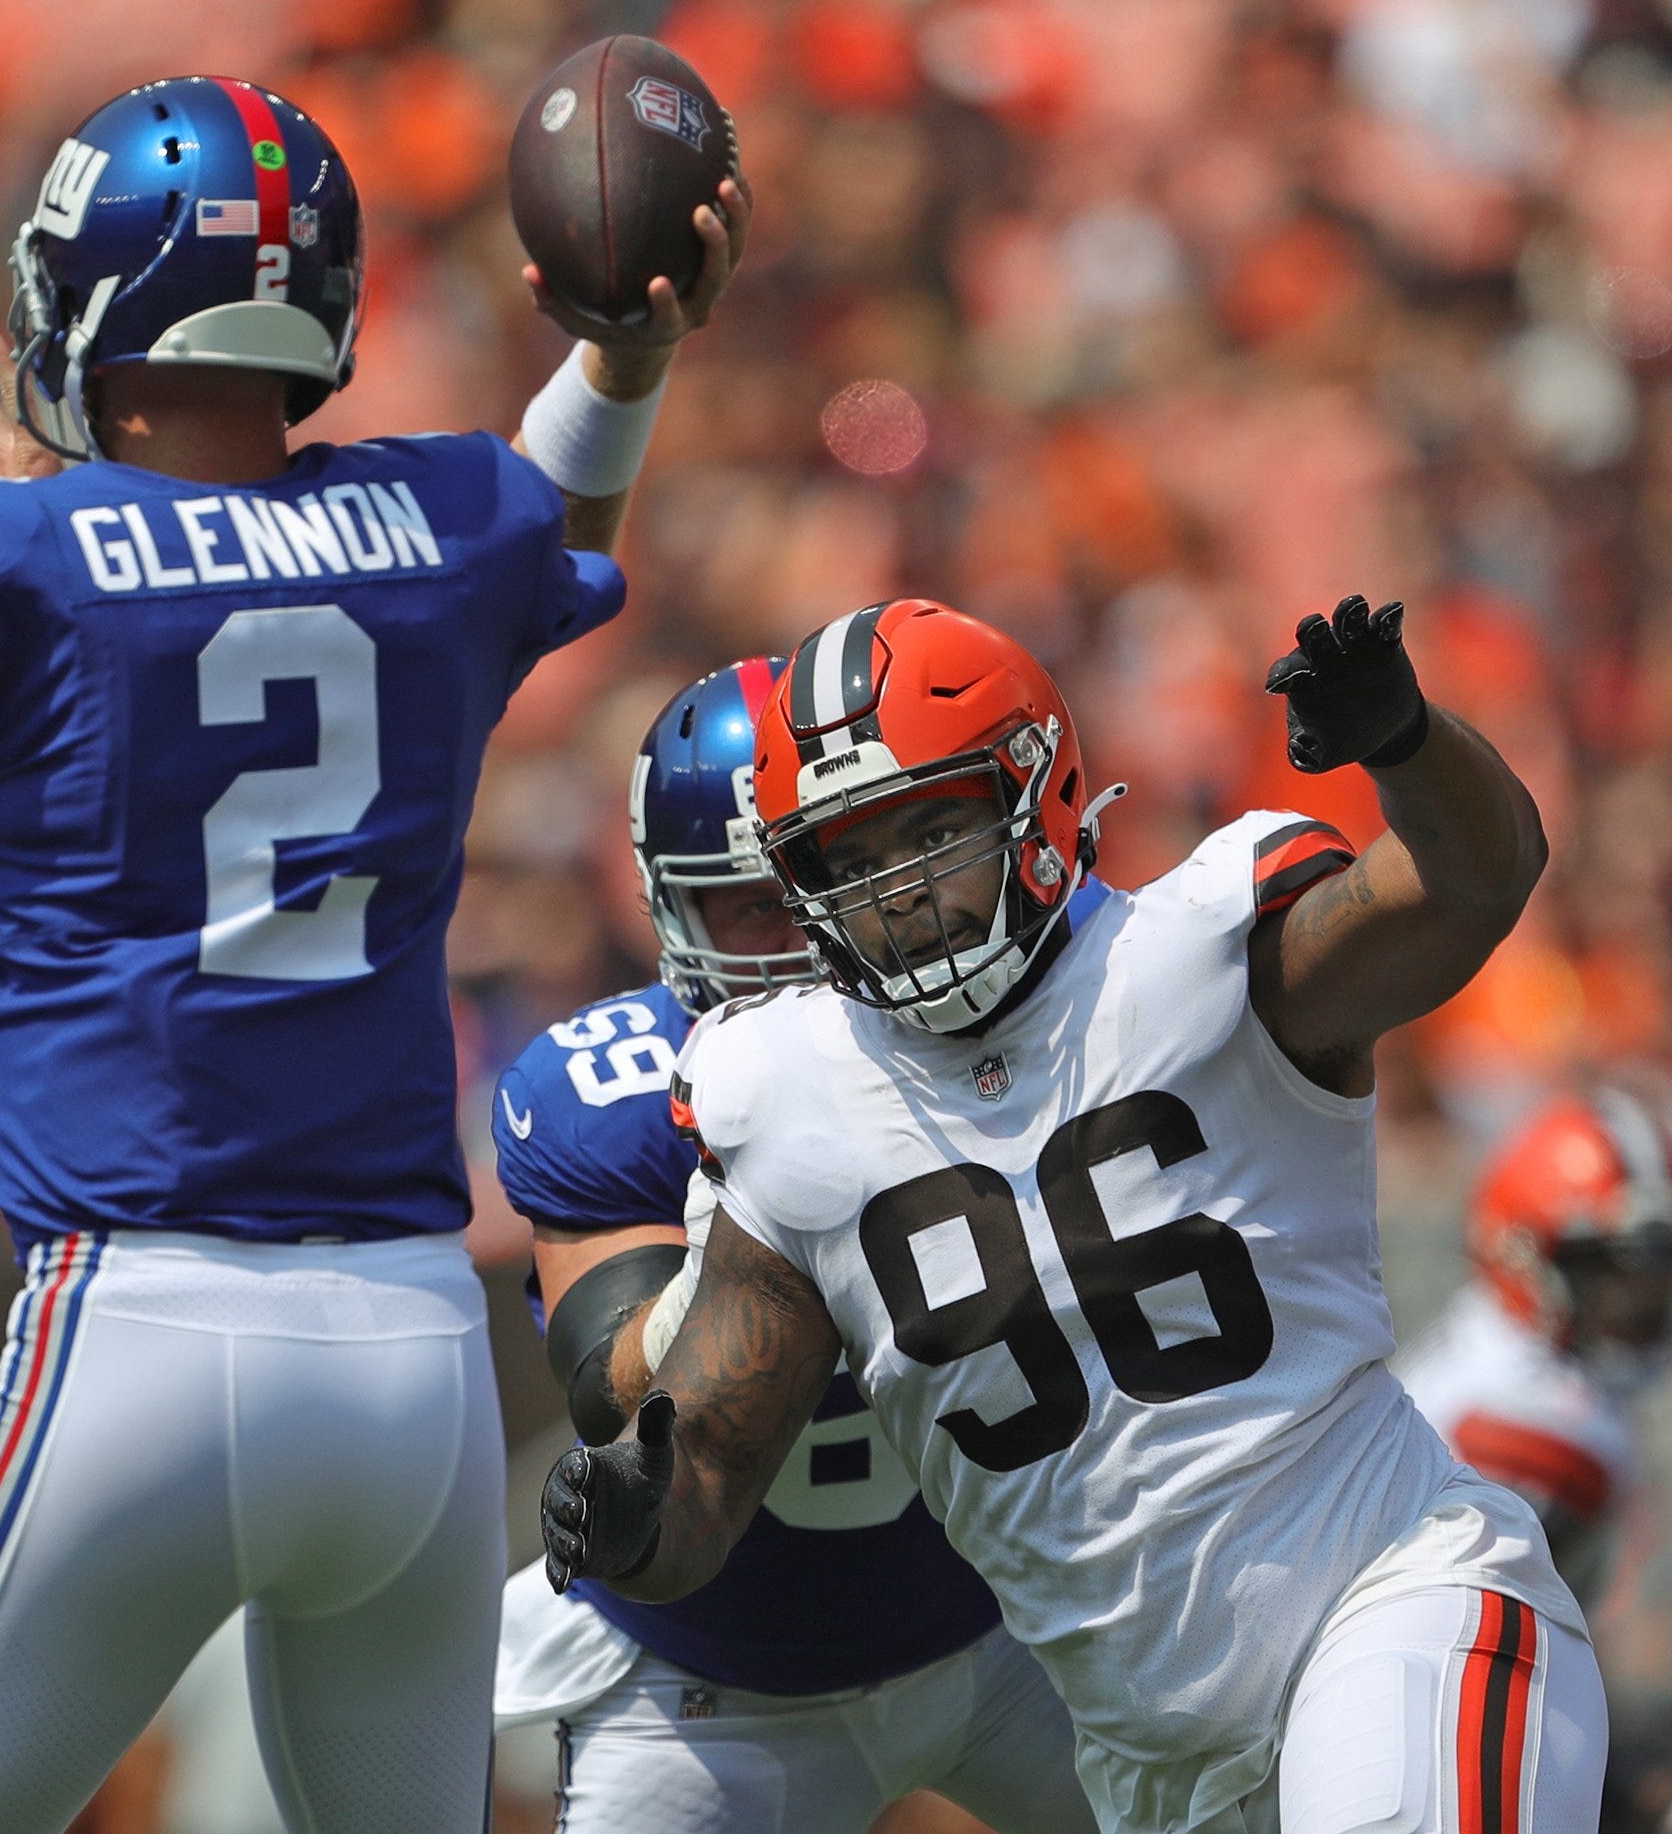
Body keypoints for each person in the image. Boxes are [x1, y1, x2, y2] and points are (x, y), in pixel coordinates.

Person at [0, 73, 747, 1833]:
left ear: (87, 299)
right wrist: (624, 352)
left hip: (134, 1332)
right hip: (415, 1357)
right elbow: (554, 520)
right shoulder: (448, 520)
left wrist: (7, 631)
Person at [541, 595, 1609, 1834]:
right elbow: (706, 1479)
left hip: (1390, 1608)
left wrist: (1405, 740)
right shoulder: (783, 1096)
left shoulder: (1199, 953)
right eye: (851, 857)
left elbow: (1478, 879)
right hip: (1148, 1766)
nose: (899, 892)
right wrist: (629, 1512)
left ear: (1034, 790)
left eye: (929, 827)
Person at [492, 659, 1094, 1833]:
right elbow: (614, 1392)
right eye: (753, 905)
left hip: (1012, 1625)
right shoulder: (604, 1094)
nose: (802, 937)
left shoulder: (1010, 1030)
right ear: (672, 911)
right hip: (709, 1686)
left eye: (818, 881)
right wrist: (756, 1193)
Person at [1398, 1086, 1672, 1611]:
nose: (1638, 1305)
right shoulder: (1545, 1429)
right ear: (1525, 1255)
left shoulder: (1488, 1332)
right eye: (1606, 1272)